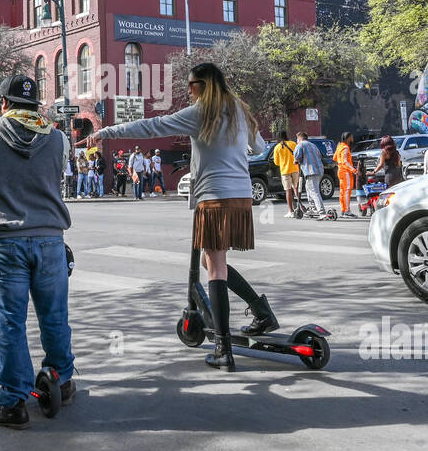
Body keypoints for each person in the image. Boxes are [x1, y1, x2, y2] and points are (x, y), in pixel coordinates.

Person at [87, 62, 268, 371]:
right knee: (210, 261)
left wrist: (105, 132)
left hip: (214, 198)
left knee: (216, 267)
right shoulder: (239, 110)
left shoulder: (202, 113)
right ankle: (260, 311)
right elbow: (259, 147)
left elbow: (151, 126)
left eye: (192, 85)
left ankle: (224, 349)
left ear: (204, 85)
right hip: (241, 196)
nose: (189, 91)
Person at [0, 74, 75, 428]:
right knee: (54, 316)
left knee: (9, 321)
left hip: (4, 242)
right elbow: (57, 173)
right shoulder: (59, 139)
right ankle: (62, 380)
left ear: (3, 104)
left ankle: (13, 402)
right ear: (36, 106)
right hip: (50, 239)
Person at [295, 132, 332, 219]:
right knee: (309, 189)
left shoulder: (300, 145)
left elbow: (296, 157)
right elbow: (319, 156)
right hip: (319, 170)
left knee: (314, 191)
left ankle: (322, 212)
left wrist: (297, 161)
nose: (297, 141)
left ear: (299, 139)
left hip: (310, 171)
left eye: (297, 139)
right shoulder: (313, 145)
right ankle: (313, 208)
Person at [272, 129, 301, 218]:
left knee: (288, 191)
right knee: (296, 188)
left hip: (285, 171)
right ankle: (300, 208)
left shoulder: (277, 147)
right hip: (295, 169)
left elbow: (276, 162)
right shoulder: (293, 144)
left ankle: (291, 211)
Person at [334, 132, 357, 218]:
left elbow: (334, 158)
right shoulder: (345, 147)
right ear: (348, 138)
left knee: (342, 192)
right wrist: (354, 170)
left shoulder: (340, 146)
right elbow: (345, 161)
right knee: (347, 191)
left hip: (340, 171)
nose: (352, 138)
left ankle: (344, 211)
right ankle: (347, 211)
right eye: (351, 137)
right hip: (346, 172)